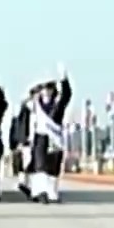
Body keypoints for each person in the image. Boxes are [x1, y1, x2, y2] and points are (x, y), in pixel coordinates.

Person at [24, 67, 73, 203]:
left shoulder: (58, 104)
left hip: (55, 138)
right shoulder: (34, 103)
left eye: (49, 88)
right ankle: (40, 192)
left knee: (54, 168)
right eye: (44, 89)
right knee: (40, 166)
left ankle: (52, 193)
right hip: (40, 137)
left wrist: (64, 80)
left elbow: (67, 95)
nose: (47, 91)